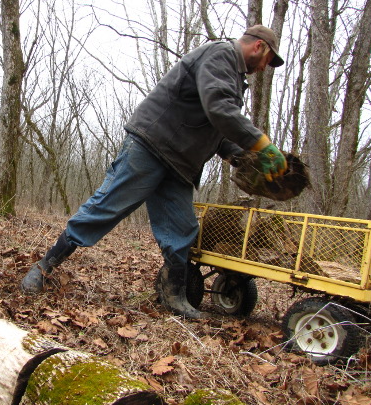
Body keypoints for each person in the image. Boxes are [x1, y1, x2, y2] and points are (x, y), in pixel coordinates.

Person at [21, 24, 287, 319]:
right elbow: (220, 109)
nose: (265, 68)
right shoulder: (221, 55)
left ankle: (174, 296)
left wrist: (243, 157)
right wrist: (262, 144)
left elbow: (216, 128)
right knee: (106, 207)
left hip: (181, 162)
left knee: (182, 229)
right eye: (268, 61)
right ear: (259, 47)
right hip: (152, 144)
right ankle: (44, 267)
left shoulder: (232, 77)